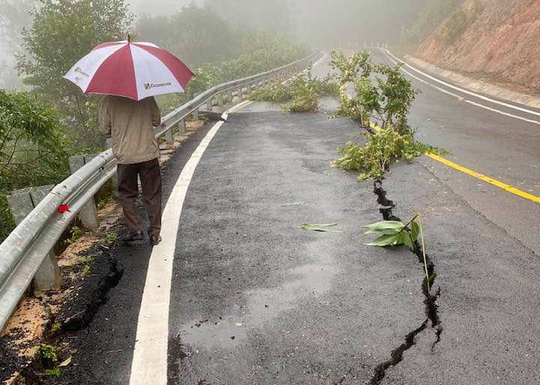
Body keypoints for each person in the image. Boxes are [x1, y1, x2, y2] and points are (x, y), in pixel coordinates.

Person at [99, 95, 164, 246]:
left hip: (125, 156)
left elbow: (104, 129)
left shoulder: (108, 99)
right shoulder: (146, 94)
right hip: (148, 153)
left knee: (127, 194)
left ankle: (135, 230)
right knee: (152, 193)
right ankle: (155, 234)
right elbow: (156, 120)